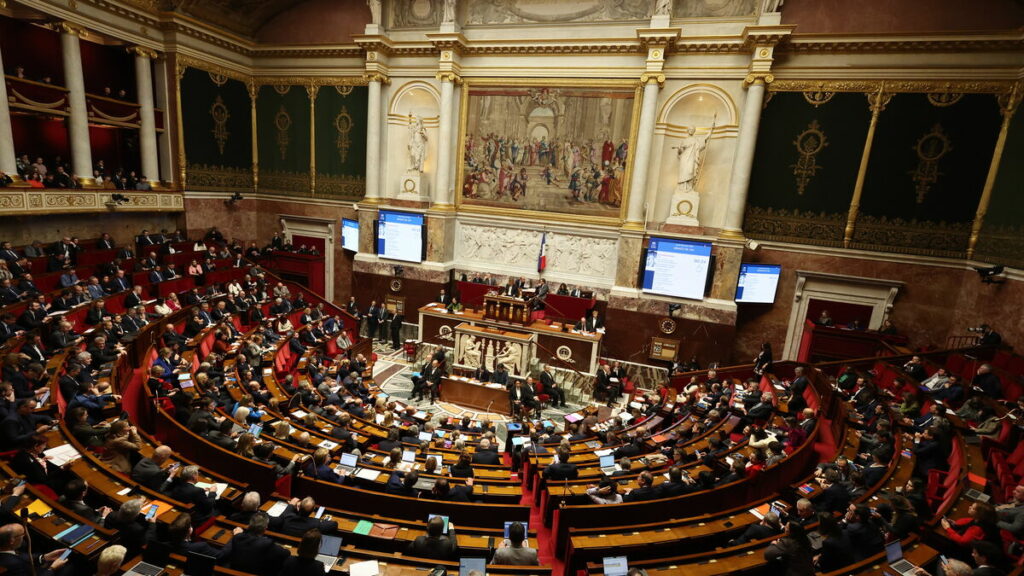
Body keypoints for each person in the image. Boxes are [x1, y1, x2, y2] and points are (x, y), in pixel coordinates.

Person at [219, 512, 289, 576]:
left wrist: (239, 534)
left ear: (249, 525)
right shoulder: (268, 543)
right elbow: (286, 554)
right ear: (265, 528)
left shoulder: (237, 537)